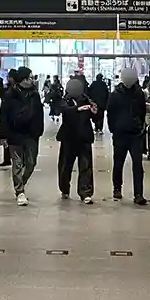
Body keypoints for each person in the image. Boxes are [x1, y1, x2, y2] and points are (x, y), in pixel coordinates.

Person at [0, 66, 43, 205]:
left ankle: (21, 183)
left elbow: (39, 113)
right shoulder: (10, 95)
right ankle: (20, 191)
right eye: (29, 77)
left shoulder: (35, 94)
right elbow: (3, 115)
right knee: (17, 163)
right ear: (22, 80)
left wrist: (38, 130)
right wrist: (4, 134)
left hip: (31, 134)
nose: (31, 80)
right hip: (15, 134)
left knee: (31, 162)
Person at [107, 67, 147, 205]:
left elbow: (143, 110)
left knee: (138, 164)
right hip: (120, 134)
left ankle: (138, 194)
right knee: (118, 163)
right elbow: (110, 113)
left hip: (135, 134)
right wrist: (114, 129)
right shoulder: (115, 94)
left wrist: (140, 125)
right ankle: (117, 188)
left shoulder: (139, 93)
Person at [57, 75, 96, 204]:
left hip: (84, 137)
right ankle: (64, 188)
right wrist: (77, 109)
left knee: (85, 166)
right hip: (69, 137)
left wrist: (95, 111)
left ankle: (85, 192)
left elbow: (95, 115)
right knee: (65, 165)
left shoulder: (87, 99)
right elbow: (63, 111)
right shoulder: (65, 100)